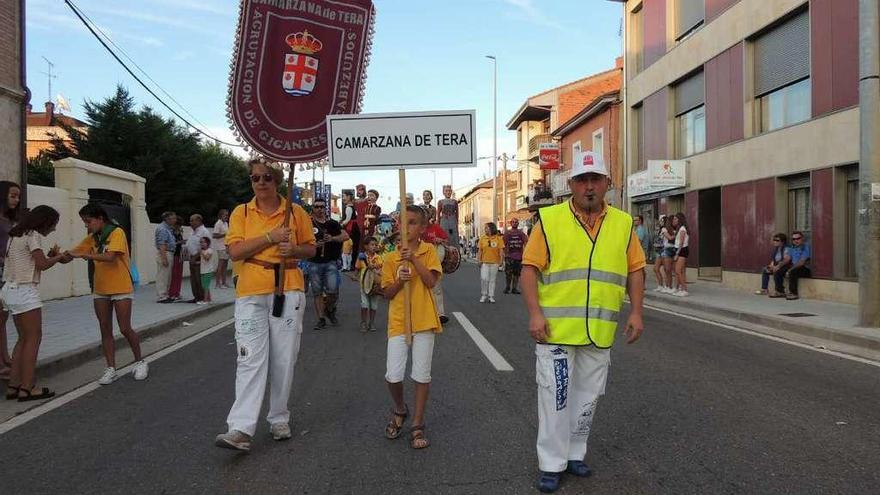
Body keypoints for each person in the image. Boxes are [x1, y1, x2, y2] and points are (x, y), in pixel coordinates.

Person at [520, 150, 645, 493]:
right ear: (572, 185)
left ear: (607, 183)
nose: (589, 186)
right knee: (556, 398)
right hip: (556, 330)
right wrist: (534, 312)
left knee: (587, 398)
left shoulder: (622, 223)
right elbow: (529, 270)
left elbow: (635, 269)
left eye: (596, 179)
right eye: (582, 180)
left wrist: (636, 311)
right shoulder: (549, 219)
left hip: (599, 330)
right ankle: (551, 463)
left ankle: (575, 453)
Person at [215, 158, 316, 452]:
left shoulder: (296, 213)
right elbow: (235, 251)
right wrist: (271, 237)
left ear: (277, 180)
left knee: (284, 359)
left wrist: (293, 248)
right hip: (250, 292)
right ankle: (240, 428)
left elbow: (310, 248)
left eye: (266, 178)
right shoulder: (241, 213)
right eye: (255, 178)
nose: (260, 183)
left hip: (288, 288)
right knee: (249, 359)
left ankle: (279, 417)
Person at [381, 205, 442, 450]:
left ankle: (417, 423)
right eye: (403, 222)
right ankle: (400, 409)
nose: (407, 227)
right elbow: (386, 292)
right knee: (393, 375)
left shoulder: (429, 251)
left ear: (423, 228)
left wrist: (413, 259)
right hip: (398, 321)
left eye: (414, 222)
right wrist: (399, 280)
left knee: (421, 374)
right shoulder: (388, 257)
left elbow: (431, 282)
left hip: (424, 319)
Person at [67, 204, 148, 385]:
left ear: (100, 219)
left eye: (88, 221)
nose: (87, 226)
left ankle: (140, 361)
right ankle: (111, 368)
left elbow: (111, 256)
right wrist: (60, 255)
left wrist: (88, 256)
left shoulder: (116, 232)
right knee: (105, 329)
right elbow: (74, 252)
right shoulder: (92, 238)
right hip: (101, 289)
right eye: (84, 222)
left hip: (121, 287)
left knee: (125, 328)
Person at [1, 206, 69, 401]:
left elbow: (30, 261)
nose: (54, 229)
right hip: (25, 290)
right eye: (53, 225)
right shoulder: (33, 235)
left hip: (9, 290)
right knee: (33, 338)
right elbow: (42, 265)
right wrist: (59, 257)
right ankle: (28, 387)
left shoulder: (15, 235)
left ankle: (14, 386)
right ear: (44, 222)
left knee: (22, 338)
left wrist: (49, 256)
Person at [308, 197, 349, 330]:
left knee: (332, 291)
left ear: (325, 209)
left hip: (330, 261)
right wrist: (314, 244)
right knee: (317, 292)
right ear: (313, 208)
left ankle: (329, 309)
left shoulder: (332, 223)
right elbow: (300, 240)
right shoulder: (309, 224)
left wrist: (332, 238)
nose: (319, 209)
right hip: (314, 261)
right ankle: (321, 319)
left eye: (322, 207)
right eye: (316, 207)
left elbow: (346, 236)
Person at [0, 180, 22, 379]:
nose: (16, 200)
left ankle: (5, 357)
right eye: (12, 195)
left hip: (7, 272)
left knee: (3, 316)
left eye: (17, 196)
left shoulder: (11, 220)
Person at [421, 210, 449, 323]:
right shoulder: (417, 229)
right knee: (422, 289)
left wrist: (440, 240)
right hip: (421, 260)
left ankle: (440, 314)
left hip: (434, 261)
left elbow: (446, 241)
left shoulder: (436, 228)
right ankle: (424, 314)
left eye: (426, 215)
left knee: (436, 288)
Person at [356, 236, 383, 333]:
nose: (374, 246)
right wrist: (356, 276)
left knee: (374, 305)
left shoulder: (378, 257)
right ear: (366, 246)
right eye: (372, 244)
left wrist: (375, 266)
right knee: (364, 304)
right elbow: (358, 268)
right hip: (364, 284)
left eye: (375, 245)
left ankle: (371, 322)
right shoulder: (361, 257)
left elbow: (380, 267)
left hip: (375, 284)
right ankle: (363, 322)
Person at [755, 233, 790, 297]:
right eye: (774, 240)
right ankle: (764, 289)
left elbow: (786, 259)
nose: (775, 242)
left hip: (785, 266)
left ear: (782, 242)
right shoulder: (776, 249)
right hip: (777, 265)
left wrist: (777, 267)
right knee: (765, 270)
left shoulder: (786, 248)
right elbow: (774, 260)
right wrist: (771, 266)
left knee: (777, 272)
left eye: (777, 240)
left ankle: (780, 291)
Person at [186, 214, 210, 303]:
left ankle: (203, 297)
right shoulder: (193, 231)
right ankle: (196, 297)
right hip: (192, 257)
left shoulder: (204, 232)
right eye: (190, 220)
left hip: (199, 258)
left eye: (192, 220)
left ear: (199, 221)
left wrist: (195, 257)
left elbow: (205, 247)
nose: (190, 222)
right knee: (193, 279)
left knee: (199, 279)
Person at [478, 222, 504, 303]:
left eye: (486, 228)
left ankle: (491, 296)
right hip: (485, 262)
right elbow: (479, 250)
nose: (485, 229)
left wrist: (501, 260)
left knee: (492, 280)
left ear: (491, 229)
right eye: (485, 228)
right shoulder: (482, 238)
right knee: (484, 278)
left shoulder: (498, 239)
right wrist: (479, 260)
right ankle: (484, 294)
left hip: (495, 262)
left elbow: (501, 250)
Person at [154, 211, 177, 303]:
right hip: (165, 253)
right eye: (173, 218)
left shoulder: (168, 228)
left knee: (167, 275)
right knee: (163, 275)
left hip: (168, 252)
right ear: (167, 219)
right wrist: (164, 258)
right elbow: (162, 244)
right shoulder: (162, 229)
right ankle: (162, 295)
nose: (175, 220)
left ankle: (165, 294)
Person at [502, 218, 528, 294]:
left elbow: (526, 242)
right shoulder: (507, 233)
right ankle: (507, 287)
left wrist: (525, 253)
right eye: (513, 222)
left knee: (516, 274)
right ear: (510, 223)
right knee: (508, 273)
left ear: (518, 224)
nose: (514, 223)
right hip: (509, 256)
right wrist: (504, 254)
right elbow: (503, 244)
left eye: (516, 222)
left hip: (519, 256)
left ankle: (514, 288)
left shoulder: (521, 233)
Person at [652, 215, 675, 294]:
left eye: (661, 220)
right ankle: (661, 285)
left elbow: (669, 238)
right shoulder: (661, 229)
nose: (659, 222)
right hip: (660, 250)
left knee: (667, 269)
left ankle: (668, 286)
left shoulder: (664, 229)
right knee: (656, 268)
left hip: (664, 250)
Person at [785, 231, 811, 300]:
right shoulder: (792, 247)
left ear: (802, 238)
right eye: (794, 239)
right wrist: (778, 266)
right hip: (795, 266)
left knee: (793, 271)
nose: (796, 240)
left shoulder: (806, 246)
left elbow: (802, 262)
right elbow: (787, 259)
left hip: (805, 268)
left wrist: (789, 270)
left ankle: (793, 293)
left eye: (798, 238)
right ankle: (779, 291)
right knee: (780, 270)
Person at [671, 213, 690, 297]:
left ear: (680, 220)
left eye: (675, 219)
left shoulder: (682, 229)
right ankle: (679, 288)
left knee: (678, 270)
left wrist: (677, 254)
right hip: (678, 249)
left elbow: (681, 243)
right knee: (679, 271)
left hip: (682, 250)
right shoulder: (679, 229)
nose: (674, 220)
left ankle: (684, 289)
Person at [340, 190, 360, 263]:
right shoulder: (352, 207)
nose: (343, 198)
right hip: (354, 228)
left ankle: (350, 263)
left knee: (349, 245)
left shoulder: (348, 208)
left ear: (348, 197)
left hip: (351, 229)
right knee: (353, 246)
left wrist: (341, 224)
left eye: (344, 196)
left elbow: (347, 220)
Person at [437, 185, 460, 249]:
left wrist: (456, 222)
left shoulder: (455, 201)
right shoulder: (440, 202)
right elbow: (438, 213)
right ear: (443, 192)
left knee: (453, 237)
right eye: (446, 191)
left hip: (452, 221)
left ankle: (455, 252)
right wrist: (438, 224)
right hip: (444, 221)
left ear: (451, 192)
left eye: (449, 191)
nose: (448, 192)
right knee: (444, 236)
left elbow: (457, 213)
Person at [213, 209, 231, 289]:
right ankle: (217, 283)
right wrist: (225, 234)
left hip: (226, 246)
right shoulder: (218, 223)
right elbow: (214, 235)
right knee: (220, 265)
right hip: (220, 247)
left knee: (225, 265)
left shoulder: (226, 223)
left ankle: (224, 282)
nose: (227, 216)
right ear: (221, 215)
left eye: (227, 215)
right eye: (225, 215)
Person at [168, 217, 185, 301]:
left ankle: (177, 292)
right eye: (178, 225)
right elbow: (171, 244)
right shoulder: (171, 233)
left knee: (179, 275)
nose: (179, 227)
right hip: (174, 254)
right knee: (174, 275)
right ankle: (172, 293)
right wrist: (180, 242)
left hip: (180, 254)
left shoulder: (179, 233)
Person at [199, 236, 218, 304]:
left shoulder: (209, 250)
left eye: (204, 242)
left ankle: (205, 300)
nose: (202, 243)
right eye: (201, 242)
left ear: (208, 243)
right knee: (205, 286)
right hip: (203, 270)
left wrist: (201, 252)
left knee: (205, 286)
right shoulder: (203, 251)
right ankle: (209, 299)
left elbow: (207, 258)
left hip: (208, 271)